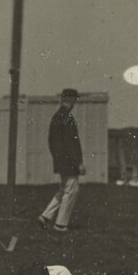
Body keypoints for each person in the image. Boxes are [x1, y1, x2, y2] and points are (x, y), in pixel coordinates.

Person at [38, 89, 84, 231]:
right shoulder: (67, 118)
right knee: (72, 190)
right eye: (74, 100)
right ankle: (60, 224)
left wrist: (57, 157)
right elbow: (71, 143)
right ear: (70, 100)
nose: (75, 103)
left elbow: (51, 142)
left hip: (60, 159)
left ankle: (46, 216)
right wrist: (78, 163)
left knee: (64, 189)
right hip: (69, 161)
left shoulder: (57, 117)